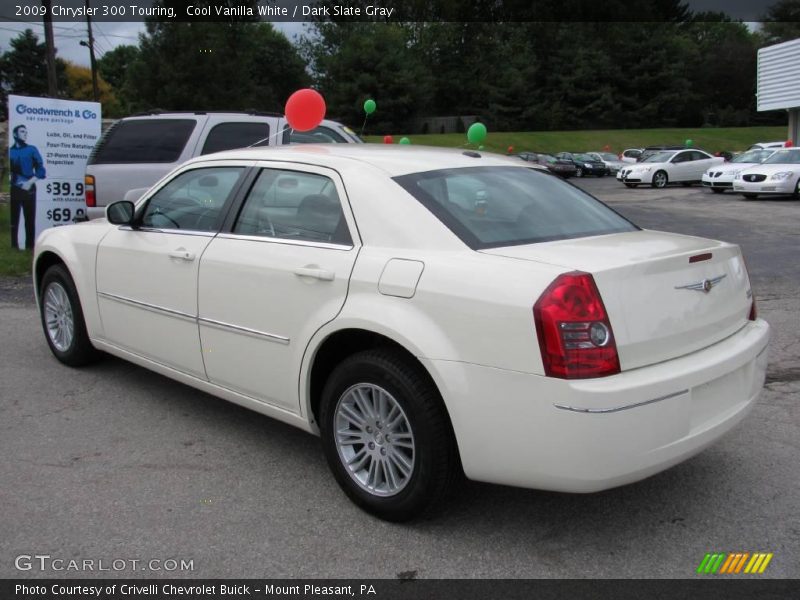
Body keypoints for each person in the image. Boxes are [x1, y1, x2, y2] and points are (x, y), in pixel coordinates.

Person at [9, 124, 46, 249]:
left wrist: (29, 183)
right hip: (14, 188)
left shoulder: (32, 149)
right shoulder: (11, 151)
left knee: (29, 219)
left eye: (26, 132)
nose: (25, 134)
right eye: (22, 131)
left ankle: (30, 246)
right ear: (15, 134)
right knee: (14, 219)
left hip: (28, 187)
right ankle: (14, 246)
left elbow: (41, 170)